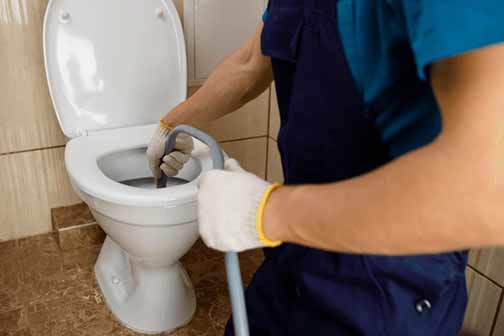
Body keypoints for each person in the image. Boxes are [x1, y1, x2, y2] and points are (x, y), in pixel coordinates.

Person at [147, 1, 504, 334]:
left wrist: (265, 212)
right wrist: (171, 124)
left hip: (390, 284)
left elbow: (488, 194)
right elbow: (251, 63)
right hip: (299, 244)